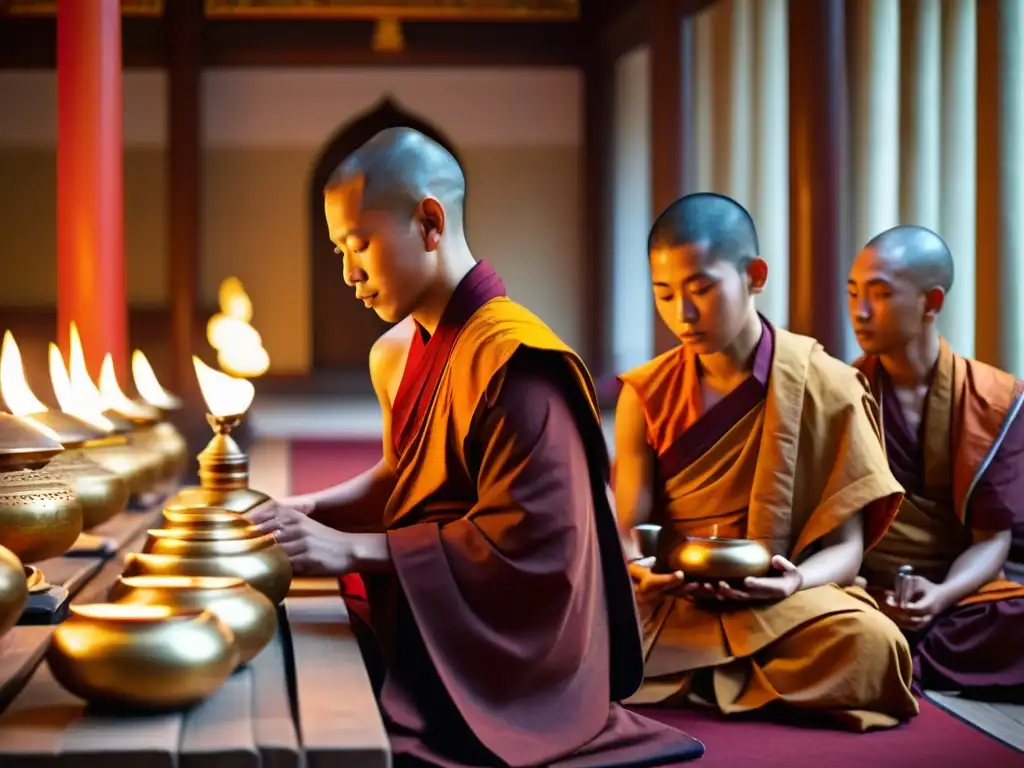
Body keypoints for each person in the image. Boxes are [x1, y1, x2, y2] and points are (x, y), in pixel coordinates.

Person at [247, 127, 703, 767]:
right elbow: (406, 475)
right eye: (337, 251)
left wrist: (350, 548)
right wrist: (307, 509)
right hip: (442, 612)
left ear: (430, 222)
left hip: (515, 656)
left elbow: (532, 550)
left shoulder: (515, 363)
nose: (349, 274)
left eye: (360, 245)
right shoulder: (412, 347)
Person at [614, 192, 918, 732]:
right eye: (664, 294)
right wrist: (644, 572)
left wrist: (793, 582)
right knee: (566, 631)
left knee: (874, 646)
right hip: (676, 604)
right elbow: (629, 534)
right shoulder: (645, 392)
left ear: (755, 275)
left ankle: (694, 679)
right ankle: (732, 679)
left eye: (701, 290)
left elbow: (847, 552)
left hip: (782, 602)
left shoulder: (828, 384)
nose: (682, 314)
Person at [847, 224, 1024, 699]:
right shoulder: (838, 393)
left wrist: (941, 595)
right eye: (853, 293)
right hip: (866, 589)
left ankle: (896, 654)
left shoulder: (992, 399)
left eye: (880, 295)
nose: (860, 312)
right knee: (819, 619)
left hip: (965, 591)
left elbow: (995, 539)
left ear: (932, 303)